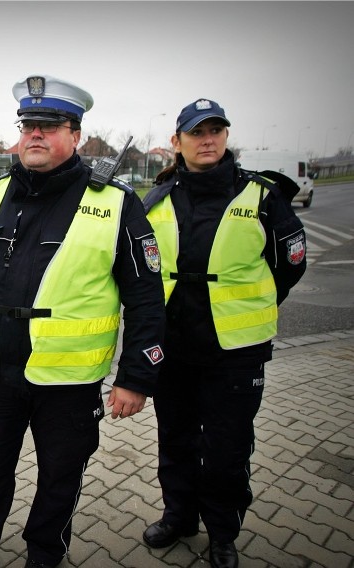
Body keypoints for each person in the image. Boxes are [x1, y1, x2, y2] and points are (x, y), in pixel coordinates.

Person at [0, 74, 167, 568]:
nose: (35, 133)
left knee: (60, 478)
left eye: (51, 124)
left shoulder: (115, 203)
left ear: (75, 134)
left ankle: (45, 555)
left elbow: (146, 299)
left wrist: (137, 377)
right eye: (28, 124)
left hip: (69, 380)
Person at [141, 99, 307, 568]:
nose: (207, 139)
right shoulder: (156, 198)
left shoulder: (262, 195)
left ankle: (222, 534)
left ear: (227, 137)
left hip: (235, 352)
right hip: (173, 348)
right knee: (175, 440)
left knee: (226, 450)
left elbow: (290, 266)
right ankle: (179, 516)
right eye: (197, 132)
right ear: (178, 143)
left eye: (216, 130)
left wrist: (251, 305)